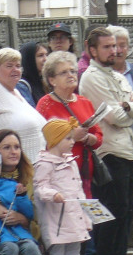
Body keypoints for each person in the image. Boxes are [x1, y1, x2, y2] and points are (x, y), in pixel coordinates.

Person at [79, 27, 133, 255]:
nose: (115, 51)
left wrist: (128, 106)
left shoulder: (118, 76)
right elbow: (117, 118)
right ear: (92, 49)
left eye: (116, 46)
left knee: (124, 213)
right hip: (110, 152)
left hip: (130, 151)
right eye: (108, 47)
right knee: (111, 213)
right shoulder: (91, 78)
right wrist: (129, 107)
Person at [34, 120, 96, 255]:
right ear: (55, 139)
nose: (72, 142)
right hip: (58, 218)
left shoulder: (70, 161)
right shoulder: (44, 163)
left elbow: (78, 190)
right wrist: (53, 194)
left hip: (74, 216)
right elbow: (40, 187)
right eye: (68, 138)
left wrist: (87, 214)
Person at [36, 51, 103, 195]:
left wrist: (88, 138)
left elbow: (99, 137)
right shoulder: (45, 104)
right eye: (64, 72)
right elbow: (41, 140)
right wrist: (72, 136)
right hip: (59, 177)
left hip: (85, 175)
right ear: (52, 80)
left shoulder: (85, 102)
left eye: (73, 71)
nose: (71, 75)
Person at [0, 47, 47, 162]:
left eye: (18, 66)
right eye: (9, 66)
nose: (15, 69)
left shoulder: (15, 91)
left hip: (35, 166)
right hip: (15, 170)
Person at [19, 41, 48, 105]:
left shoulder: (45, 82)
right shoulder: (22, 85)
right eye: (40, 55)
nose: (45, 59)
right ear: (29, 59)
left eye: (46, 55)